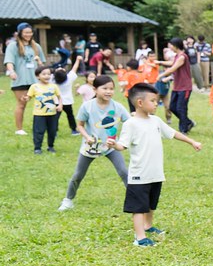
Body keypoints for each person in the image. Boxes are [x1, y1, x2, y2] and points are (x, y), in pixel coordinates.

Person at [108, 83, 202, 247]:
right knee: (138, 207)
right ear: (139, 102)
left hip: (155, 172)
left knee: (151, 203)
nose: (156, 104)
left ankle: (148, 226)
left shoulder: (156, 121)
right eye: (153, 101)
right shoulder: (131, 124)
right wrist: (113, 145)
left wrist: (191, 141)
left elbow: (173, 134)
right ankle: (140, 237)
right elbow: (122, 145)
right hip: (139, 174)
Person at [58, 74, 130, 211]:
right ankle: (68, 200)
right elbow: (79, 125)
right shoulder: (87, 106)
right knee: (78, 175)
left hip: (111, 146)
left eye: (111, 88)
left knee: (124, 172)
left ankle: (135, 197)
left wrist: (122, 140)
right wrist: (86, 137)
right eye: (105, 88)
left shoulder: (118, 107)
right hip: (90, 147)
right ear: (95, 89)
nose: (109, 91)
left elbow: (129, 123)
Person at [5, 22, 45, 135]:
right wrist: (12, 71)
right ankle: (19, 129)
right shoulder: (13, 46)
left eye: (30, 32)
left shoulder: (36, 46)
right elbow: (9, 61)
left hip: (35, 80)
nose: (28, 34)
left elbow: (42, 64)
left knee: (42, 103)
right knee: (22, 104)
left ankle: (41, 128)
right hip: (20, 80)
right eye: (26, 32)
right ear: (20, 33)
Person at [160, 38, 195, 134]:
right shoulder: (177, 56)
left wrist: (161, 75)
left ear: (176, 45)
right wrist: (159, 62)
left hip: (185, 87)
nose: (169, 47)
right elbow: (171, 63)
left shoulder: (182, 57)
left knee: (181, 108)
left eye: (171, 45)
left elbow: (172, 68)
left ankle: (183, 129)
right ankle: (188, 122)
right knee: (172, 107)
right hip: (177, 86)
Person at [28, 64, 62, 154]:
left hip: (52, 113)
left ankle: (50, 146)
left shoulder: (54, 86)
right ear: (38, 76)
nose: (47, 76)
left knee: (52, 131)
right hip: (39, 114)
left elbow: (59, 97)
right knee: (39, 131)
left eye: (48, 74)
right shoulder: (34, 87)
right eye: (44, 74)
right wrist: (25, 99)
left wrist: (60, 105)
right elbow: (29, 97)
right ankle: (37, 148)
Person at [54, 55, 84, 135]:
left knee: (55, 117)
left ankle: (54, 131)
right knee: (70, 115)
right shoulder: (69, 78)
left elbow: (43, 69)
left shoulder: (52, 80)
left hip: (56, 101)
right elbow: (74, 69)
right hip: (67, 101)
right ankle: (74, 130)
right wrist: (77, 59)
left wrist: (39, 61)